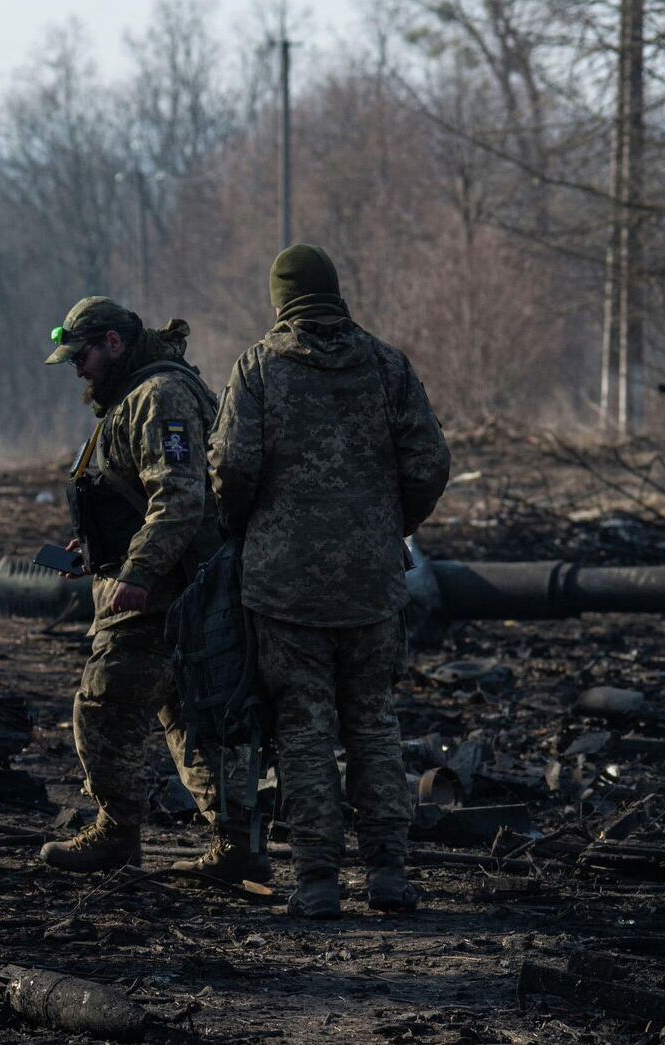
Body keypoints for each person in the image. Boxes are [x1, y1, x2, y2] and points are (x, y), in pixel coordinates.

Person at [209, 244, 450, 918]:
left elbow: (230, 464)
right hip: (372, 581)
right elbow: (429, 460)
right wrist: (388, 522)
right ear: (334, 291)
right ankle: (388, 874)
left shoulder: (258, 368)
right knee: (372, 721)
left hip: (284, 586)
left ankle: (316, 881)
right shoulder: (385, 364)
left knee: (303, 726)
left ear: (279, 297)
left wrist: (244, 525)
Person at [38, 296, 269, 883]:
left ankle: (117, 833)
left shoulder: (159, 395)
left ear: (114, 342)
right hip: (165, 581)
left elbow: (181, 496)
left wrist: (137, 574)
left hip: (166, 588)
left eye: (82, 355)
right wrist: (98, 554)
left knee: (105, 703)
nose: (78, 369)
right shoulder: (133, 397)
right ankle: (235, 845)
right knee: (186, 715)